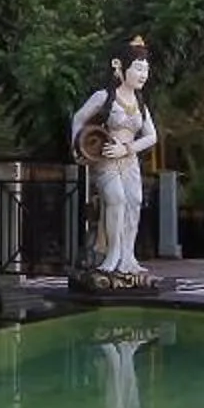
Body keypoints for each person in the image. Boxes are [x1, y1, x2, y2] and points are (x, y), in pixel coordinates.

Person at [69, 37, 158, 281]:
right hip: (106, 158)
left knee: (134, 202)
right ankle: (112, 254)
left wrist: (128, 149)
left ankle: (128, 257)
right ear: (121, 67)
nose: (143, 74)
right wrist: (78, 147)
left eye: (146, 69)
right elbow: (78, 118)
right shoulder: (104, 97)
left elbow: (152, 137)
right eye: (138, 68)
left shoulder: (140, 102)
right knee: (116, 200)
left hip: (128, 159)